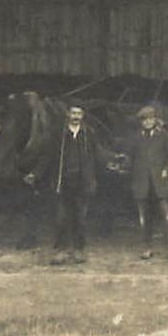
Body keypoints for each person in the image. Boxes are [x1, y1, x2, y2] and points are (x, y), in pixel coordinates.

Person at [26, 102, 108, 265]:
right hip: (62, 182)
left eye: (79, 113)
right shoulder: (58, 134)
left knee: (80, 218)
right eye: (73, 113)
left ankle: (79, 250)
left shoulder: (88, 133)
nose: (76, 116)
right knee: (61, 217)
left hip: (82, 182)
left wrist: (114, 159)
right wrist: (35, 173)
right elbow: (46, 156)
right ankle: (60, 250)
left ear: (83, 115)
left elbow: (99, 152)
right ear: (67, 115)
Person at [118, 104, 168, 263]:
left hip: (160, 183)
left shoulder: (164, 136)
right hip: (142, 183)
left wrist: (167, 170)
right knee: (144, 219)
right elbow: (128, 158)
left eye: (150, 119)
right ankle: (146, 247)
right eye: (144, 120)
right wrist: (120, 163)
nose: (147, 122)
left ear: (155, 119)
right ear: (140, 122)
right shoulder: (135, 138)